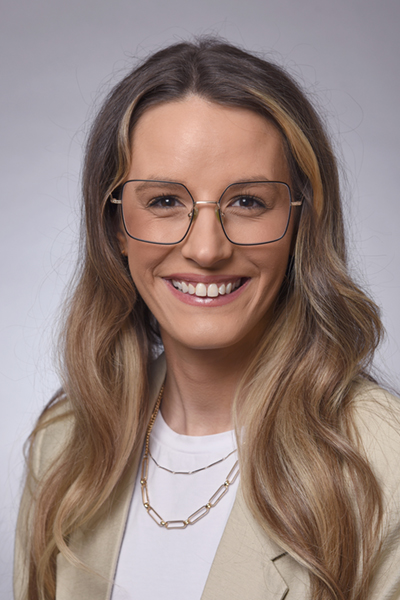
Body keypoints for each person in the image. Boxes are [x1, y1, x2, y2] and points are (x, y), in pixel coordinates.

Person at [14, 38, 400, 600]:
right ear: (116, 225)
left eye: (247, 202)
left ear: (301, 226)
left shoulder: (384, 466)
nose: (207, 249)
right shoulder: (68, 443)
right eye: (165, 201)